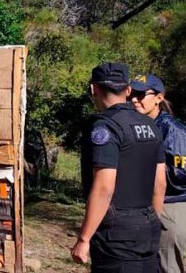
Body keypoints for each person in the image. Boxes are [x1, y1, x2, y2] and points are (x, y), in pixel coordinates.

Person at [71, 63, 166, 272]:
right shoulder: (151, 126)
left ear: (93, 89)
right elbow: (160, 183)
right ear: (128, 90)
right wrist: (151, 220)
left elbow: (104, 187)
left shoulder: (105, 126)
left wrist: (84, 238)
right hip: (148, 224)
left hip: (117, 234)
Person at [130, 74, 186, 272]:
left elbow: (180, 176)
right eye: (131, 94)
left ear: (159, 98)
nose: (134, 99)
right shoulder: (140, 125)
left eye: (141, 94)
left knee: (167, 265)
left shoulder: (174, 131)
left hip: (170, 205)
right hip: (145, 206)